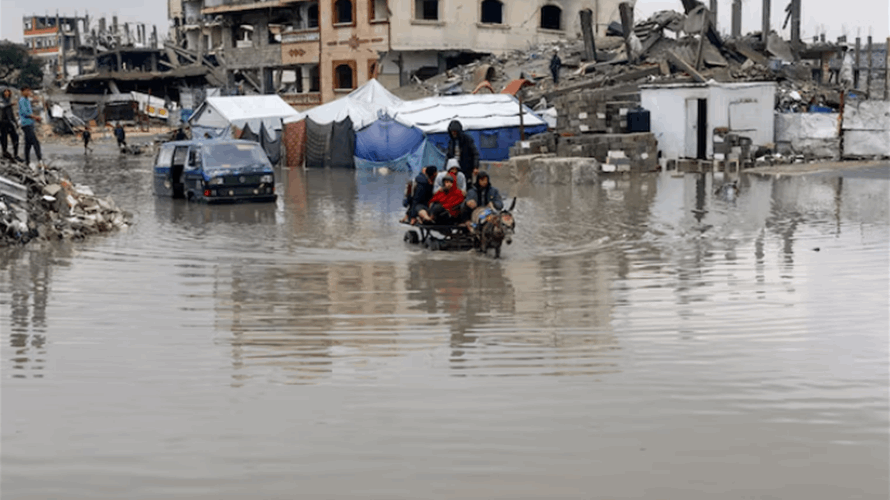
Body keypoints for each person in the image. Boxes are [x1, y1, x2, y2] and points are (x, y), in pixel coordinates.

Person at [446, 120, 479, 184]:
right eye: (452, 131)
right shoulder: (451, 142)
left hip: (466, 168)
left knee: (466, 184)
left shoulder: (467, 139)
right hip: (454, 169)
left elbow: (475, 153)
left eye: (455, 131)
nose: (453, 133)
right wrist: (446, 168)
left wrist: (475, 167)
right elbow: (448, 155)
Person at [18, 86, 43, 167]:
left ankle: (27, 161)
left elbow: (30, 112)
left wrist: (34, 118)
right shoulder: (22, 100)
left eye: (29, 91)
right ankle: (40, 160)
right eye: (27, 91)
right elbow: (25, 113)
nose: (29, 92)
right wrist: (35, 117)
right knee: (35, 142)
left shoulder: (27, 100)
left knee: (28, 143)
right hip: (25, 123)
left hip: (30, 123)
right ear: (22, 91)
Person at [1, 88, 21, 162]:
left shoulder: (9, 101)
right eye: (5, 91)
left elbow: (11, 113)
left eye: (8, 92)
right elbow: (2, 106)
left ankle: (16, 155)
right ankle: (4, 153)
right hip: (2, 122)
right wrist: (10, 104)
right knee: (4, 139)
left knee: (15, 138)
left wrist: (15, 122)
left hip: (10, 122)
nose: (7, 93)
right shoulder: (1, 100)